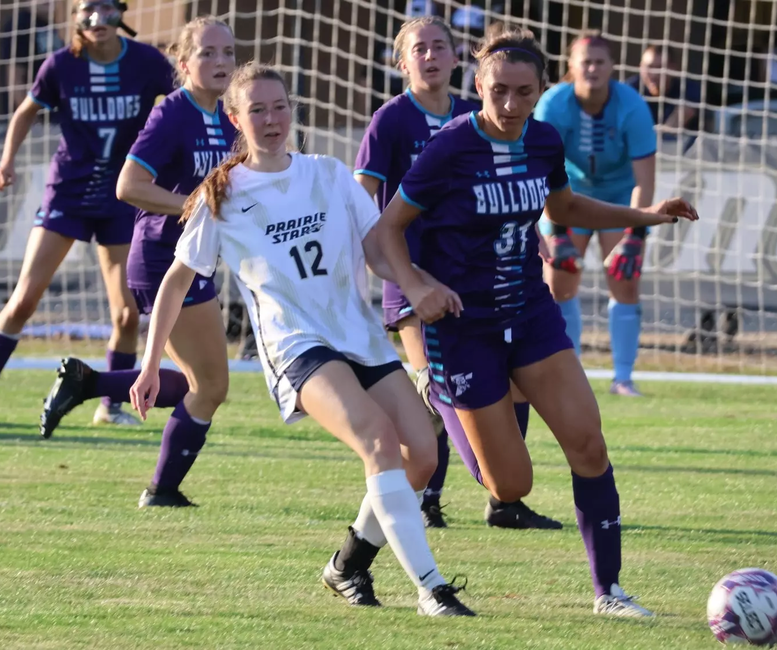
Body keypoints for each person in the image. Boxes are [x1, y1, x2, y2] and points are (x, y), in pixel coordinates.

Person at [132, 61, 475, 616]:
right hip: (298, 345)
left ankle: (346, 566)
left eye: (280, 106)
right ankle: (431, 588)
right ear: (235, 118)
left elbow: (376, 251)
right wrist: (150, 365)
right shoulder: (221, 194)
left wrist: (422, 284)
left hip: (357, 336)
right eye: (258, 109)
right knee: (379, 441)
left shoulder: (330, 174)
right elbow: (176, 281)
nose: (272, 119)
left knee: (423, 454)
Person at [377, 24, 698, 617]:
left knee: (589, 444)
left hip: (530, 313)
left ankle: (611, 592)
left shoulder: (545, 142)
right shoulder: (449, 148)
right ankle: (436, 386)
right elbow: (383, 233)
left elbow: (565, 207)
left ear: (540, 90)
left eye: (524, 92)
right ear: (478, 85)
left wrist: (645, 215)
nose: (510, 104)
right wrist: (418, 287)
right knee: (510, 487)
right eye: (498, 90)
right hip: (462, 328)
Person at [353, 15, 561, 531]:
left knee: (510, 389)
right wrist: (381, 262)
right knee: (434, 386)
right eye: (418, 48)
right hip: (413, 278)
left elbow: (505, 192)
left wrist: (529, 237)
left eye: (439, 46)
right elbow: (364, 200)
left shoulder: (482, 111)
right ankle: (428, 496)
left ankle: (502, 500)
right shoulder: (392, 120)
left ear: (458, 59)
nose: (430, 55)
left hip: (476, 283)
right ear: (402, 62)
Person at [38, 17, 237, 508]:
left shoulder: (228, 115)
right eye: (208, 54)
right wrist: (194, 203)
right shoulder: (173, 113)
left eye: (228, 53)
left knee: (202, 384)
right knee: (211, 385)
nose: (221, 63)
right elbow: (128, 186)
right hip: (161, 258)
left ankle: (90, 383)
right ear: (184, 62)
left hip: (192, 261)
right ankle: (161, 490)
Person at [0, 1, 175, 426]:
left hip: (122, 199)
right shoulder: (60, 65)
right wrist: (6, 162)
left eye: (106, 9)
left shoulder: (147, 62)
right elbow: (25, 112)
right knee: (24, 300)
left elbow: (180, 105)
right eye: (87, 10)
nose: (97, 20)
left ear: (120, 14)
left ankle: (112, 407)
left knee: (127, 314)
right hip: (67, 196)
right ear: (74, 17)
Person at [533, 30, 658, 397]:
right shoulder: (553, 104)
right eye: (585, 62)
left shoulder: (632, 106)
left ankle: (623, 378)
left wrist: (635, 237)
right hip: (564, 195)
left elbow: (645, 180)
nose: (592, 69)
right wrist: (555, 234)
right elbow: (539, 173)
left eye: (600, 62)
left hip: (619, 198)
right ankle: (568, 374)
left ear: (612, 67)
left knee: (625, 279)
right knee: (560, 280)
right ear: (571, 67)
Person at [626, 44, 701, 132]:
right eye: (649, 67)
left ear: (673, 68)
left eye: (660, 67)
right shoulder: (629, 89)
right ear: (640, 67)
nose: (654, 74)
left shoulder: (687, 88)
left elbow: (676, 123)